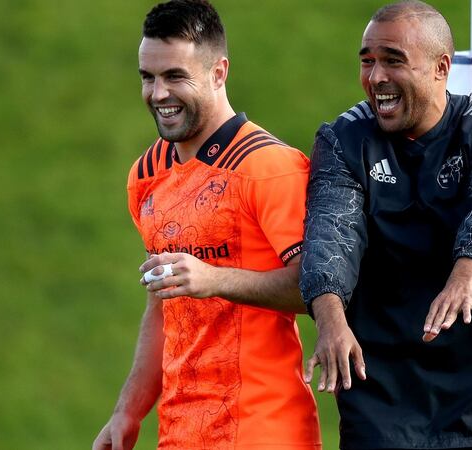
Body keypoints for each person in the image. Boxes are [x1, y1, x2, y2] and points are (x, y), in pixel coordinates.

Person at [299, 1, 472, 449]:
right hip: (385, 410)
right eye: (367, 61)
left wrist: (465, 274)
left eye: (393, 61)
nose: (376, 77)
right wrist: (330, 319)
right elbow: (331, 235)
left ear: (441, 68)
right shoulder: (343, 140)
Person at [92, 1, 321, 449]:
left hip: (264, 432)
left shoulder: (269, 167)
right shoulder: (146, 175)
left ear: (219, 73)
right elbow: (163, 306)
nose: (159, 93)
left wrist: (214, 279)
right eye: (148, 77)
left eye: (175, 76)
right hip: (180, 434)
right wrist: (128, 411)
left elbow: (318, 288)